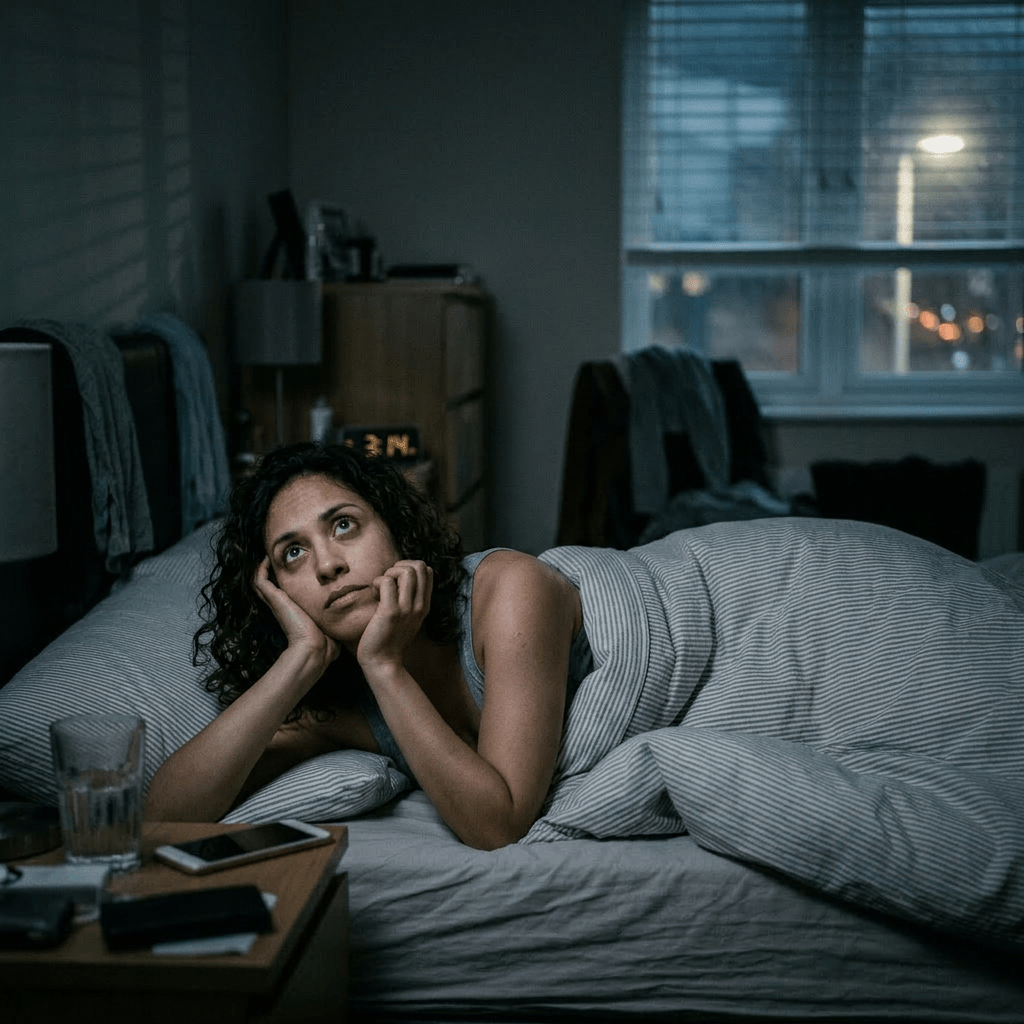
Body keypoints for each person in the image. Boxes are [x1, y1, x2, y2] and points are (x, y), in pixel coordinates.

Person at [145, 442, 586, 849]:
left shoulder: (511, 589)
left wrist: (385, 666)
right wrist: (301, 658)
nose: (328, 565)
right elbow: (161, 819)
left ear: (395, 529)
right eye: (292, 554)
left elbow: (498, 825)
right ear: (273, 592)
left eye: (343, 525)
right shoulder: (337, 710)